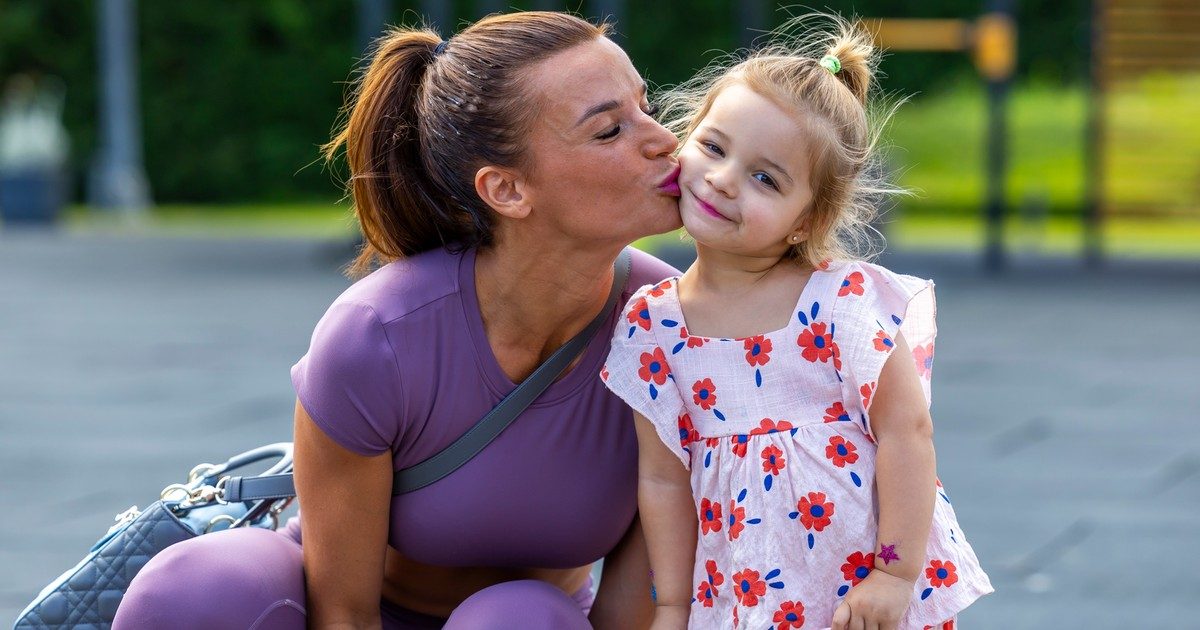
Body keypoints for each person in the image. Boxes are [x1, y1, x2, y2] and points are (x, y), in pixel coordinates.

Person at [113, 11, 683, 630]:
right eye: (610, 130)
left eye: (645, 107)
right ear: (507, 190)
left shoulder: (677, 329)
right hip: (341, 611)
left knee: (517, 617)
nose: (662, 139)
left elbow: (641, 606)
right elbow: (343, 615)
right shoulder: (377, 336)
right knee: (198, 590)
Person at [600, 15, 993, 630]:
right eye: (713, 146)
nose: (724, 180)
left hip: (857, 588)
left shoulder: (840, 302)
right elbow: (664, 481)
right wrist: (673, 606)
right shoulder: (653, 323)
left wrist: (894, 574)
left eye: (765, 178)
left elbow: (906, 433)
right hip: (742, 587)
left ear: (805, 221)